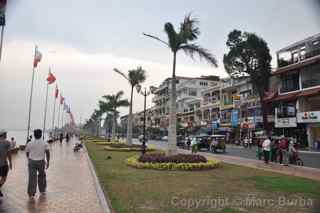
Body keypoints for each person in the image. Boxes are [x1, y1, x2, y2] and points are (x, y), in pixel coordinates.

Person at [25, 129, 50, 199]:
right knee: (42, 176)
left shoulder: (30, 143)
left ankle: (31, 194)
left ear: (34, 135)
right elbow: (47, 153)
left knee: (32, 178)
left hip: (32, 161)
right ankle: (42, 190)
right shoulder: (45, 143)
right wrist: (48, 161)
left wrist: (29, 159)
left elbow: (27, 152)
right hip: (41, 162)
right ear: (41, 134)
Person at [0, 130, 13, 197]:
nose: (6, 135)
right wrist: (10, 162)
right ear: (4, 134)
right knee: (4, 178)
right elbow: (9, 154)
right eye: (6, 134)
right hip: (3, 164)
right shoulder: (7, 142)